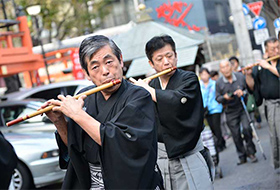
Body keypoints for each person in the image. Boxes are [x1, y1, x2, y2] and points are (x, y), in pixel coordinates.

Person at [42, 35, 163, 189]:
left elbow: (125, 145)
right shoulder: (86, 97)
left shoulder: (139, 96)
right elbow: (75, 147)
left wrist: (78, 115)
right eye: (95, 67)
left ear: (120, 60)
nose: (105, 71)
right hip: (94, 183)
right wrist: (59, 121)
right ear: (87, 74)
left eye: (109, 62)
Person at [132, 35, 213, 190]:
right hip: (162, 161)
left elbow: (176, 102)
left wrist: (149, 91)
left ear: (176, 56)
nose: (166, 62)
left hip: (189, 155)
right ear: (151, 63)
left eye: (169, 56)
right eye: (159, 59)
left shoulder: (188, 79)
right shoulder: (152, 85)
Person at [245, 37, 280, 172]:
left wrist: (269, 66)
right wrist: (248, 76)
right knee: (275, 136)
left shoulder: (269, 64)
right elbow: (254, 88)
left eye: (278, 47)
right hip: (272, 105)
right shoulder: (260, 67)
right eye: (273, 49)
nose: (276, 50)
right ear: (266, 50)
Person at [216, 60, 257, 165]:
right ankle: (242, 155)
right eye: (223, 68)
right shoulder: (219, 82)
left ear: (231, 67)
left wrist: (242, 93)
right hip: (230, 111)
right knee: (236, 134)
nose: (226, 69)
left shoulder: (240, 77)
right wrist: (224, 97)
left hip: (242, 107)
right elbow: (217, 98)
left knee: (247, 129)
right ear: (220, 70)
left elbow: (249, 91)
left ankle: (251, 152)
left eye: (227, 66)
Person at [199, 67, 225, 153]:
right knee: (212, 127)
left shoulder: (214, 83)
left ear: (209, 74)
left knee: (216, 126)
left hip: (215, 107)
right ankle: (219, 141)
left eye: (205, 73)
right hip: (205, 109)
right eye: (202, 74)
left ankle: (220, 144)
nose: (204, 76)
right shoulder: (199, 85)